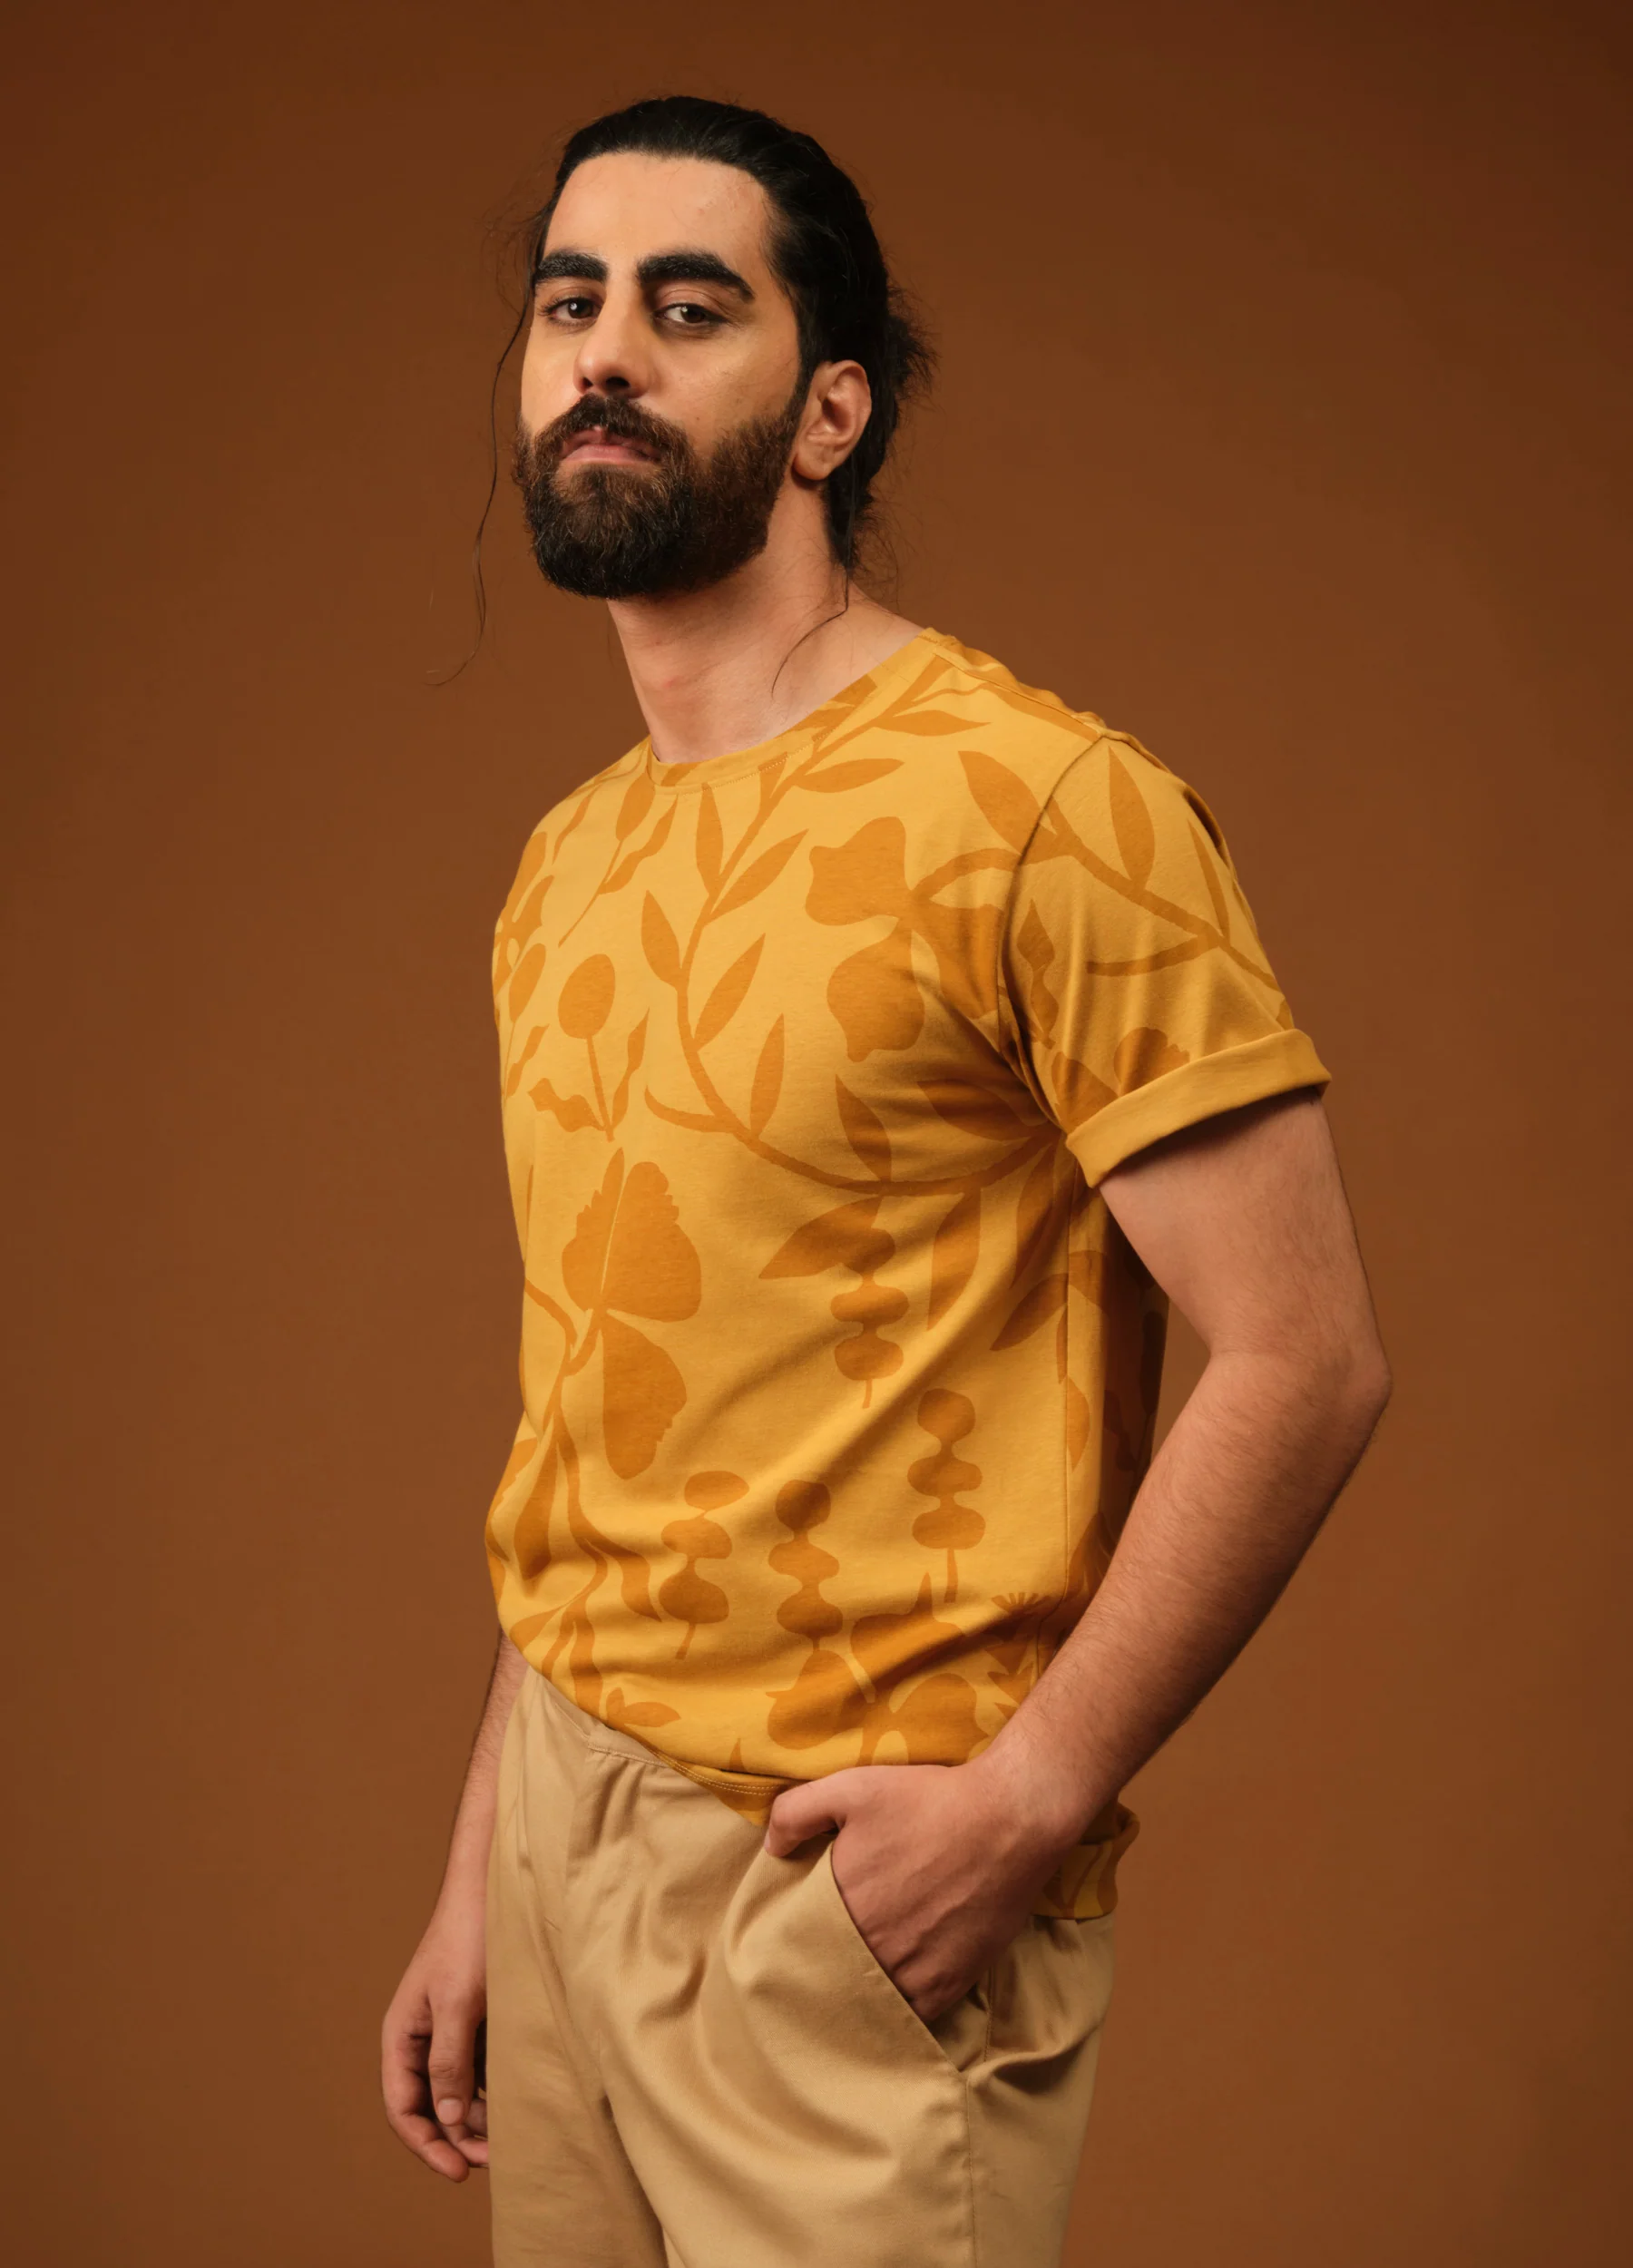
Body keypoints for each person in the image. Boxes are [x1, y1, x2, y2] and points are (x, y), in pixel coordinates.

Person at [380, 94, 1391, 2268]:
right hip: (560, 1843)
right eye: (567, 304)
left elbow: (1306, 1356)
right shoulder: (568, 864)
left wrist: (1032, 1797)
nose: (602, 353)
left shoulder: (1041, 807)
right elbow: (600, 1418)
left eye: (688, 307)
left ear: (830, 409)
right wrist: (487, 1868)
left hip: (837, 1889)